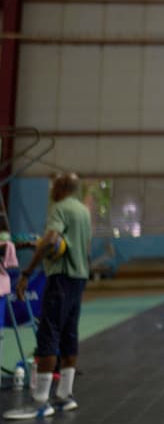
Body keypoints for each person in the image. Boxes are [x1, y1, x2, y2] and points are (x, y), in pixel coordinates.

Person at [5, 173, 91, 420]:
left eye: (54, 185)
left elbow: (53, 239)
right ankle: (64, 396)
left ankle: (40, 401)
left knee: (48, 333)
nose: (51, 189)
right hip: (79, 278)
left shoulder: (59, 208)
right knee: (69, 334)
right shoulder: (83, 211)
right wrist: (45, 244)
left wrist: (27, 272)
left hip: (60, 278)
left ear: (61, 187)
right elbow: (73, 244)